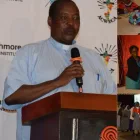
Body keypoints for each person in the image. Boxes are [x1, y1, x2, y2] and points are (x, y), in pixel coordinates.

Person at [2, 1, 116, 140]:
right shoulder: (30, 53)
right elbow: (11, 97)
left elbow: (112, 101)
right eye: (64, 18)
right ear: (50, 21)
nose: (71, 23)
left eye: (75, 18)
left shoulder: (94, 59)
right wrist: (57, 82)